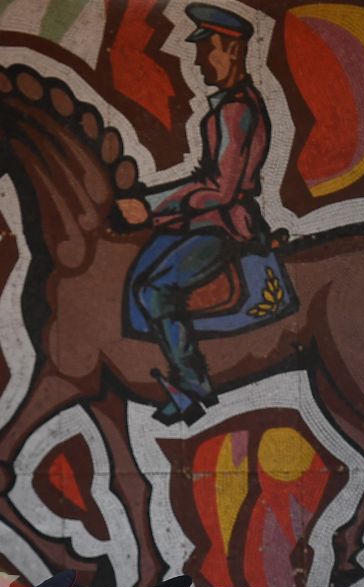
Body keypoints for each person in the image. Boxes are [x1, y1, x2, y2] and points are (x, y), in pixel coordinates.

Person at [115, 4, 270, 424]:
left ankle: (192, 385)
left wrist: (149, 208)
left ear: (233, 51)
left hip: (223, 227)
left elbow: (221, 189)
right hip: (204, 218)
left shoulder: (237, 111)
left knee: (156, 291)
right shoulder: (227, 106)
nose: (201, 62)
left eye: (209, 51)